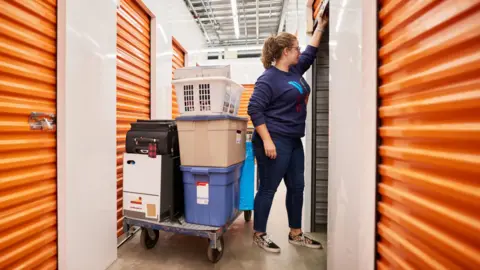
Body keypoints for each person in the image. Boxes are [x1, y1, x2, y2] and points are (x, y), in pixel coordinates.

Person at [247, 16, 328, 253]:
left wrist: (321, 26)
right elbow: (254, 109)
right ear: (285, 52)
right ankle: (259, 234)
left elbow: (311, 53)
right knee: (268, 188)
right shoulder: (268, 79)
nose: (299, 52)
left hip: (293, 140)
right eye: (296, 49)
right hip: (273, 141)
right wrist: (267, 140)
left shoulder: (294, 70)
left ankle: (295, 234)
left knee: (297, 187)